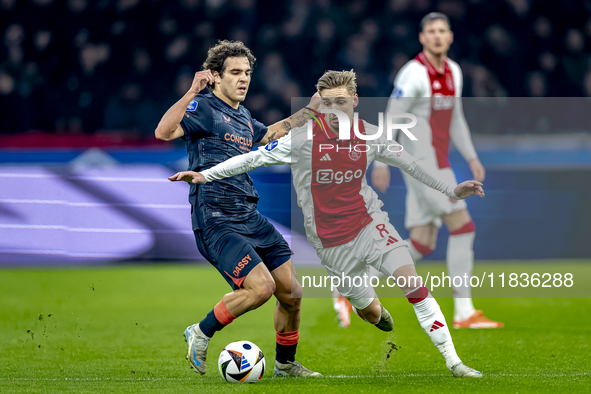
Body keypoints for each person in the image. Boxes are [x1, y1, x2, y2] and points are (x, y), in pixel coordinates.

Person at [169, 70, 484, 377]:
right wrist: (205, 174)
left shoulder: (371, 135)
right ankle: (373, 313)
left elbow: (413, 165)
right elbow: (252, 159)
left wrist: (452, 190)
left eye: (342, 103)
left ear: (355, 101)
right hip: (331, 244)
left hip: (370, 224)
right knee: (371, 312)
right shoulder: (301, 140)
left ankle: (455, 364)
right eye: (328, 103)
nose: (335, 111)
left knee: (412, 284)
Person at [155, 40, 321, 378]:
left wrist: (312, 110)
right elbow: (163, 132)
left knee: (292, 293)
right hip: (216, 217)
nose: (243, 79)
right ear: (215, 77)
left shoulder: (243, 116)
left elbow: (269, 135)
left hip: (249, 213)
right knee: (261, 288)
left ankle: (285, 365)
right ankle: (200, 331)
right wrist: (191, 91)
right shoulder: (202, 106)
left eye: (247, 72)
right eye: (235, 72)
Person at [371, 12, 503, 329]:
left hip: (441, 163)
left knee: (422, 242)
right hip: (422, 165)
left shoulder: (454, 71)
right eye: (430, 31)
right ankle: (463, 312)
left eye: (442, 30)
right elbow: (393, 115)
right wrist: (380, 160)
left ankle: (353, 283)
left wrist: (471, 157)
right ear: (422, 38)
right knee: (463, 226)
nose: (437, 36)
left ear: (451, 36)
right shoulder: (413, 74)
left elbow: (456, 118)